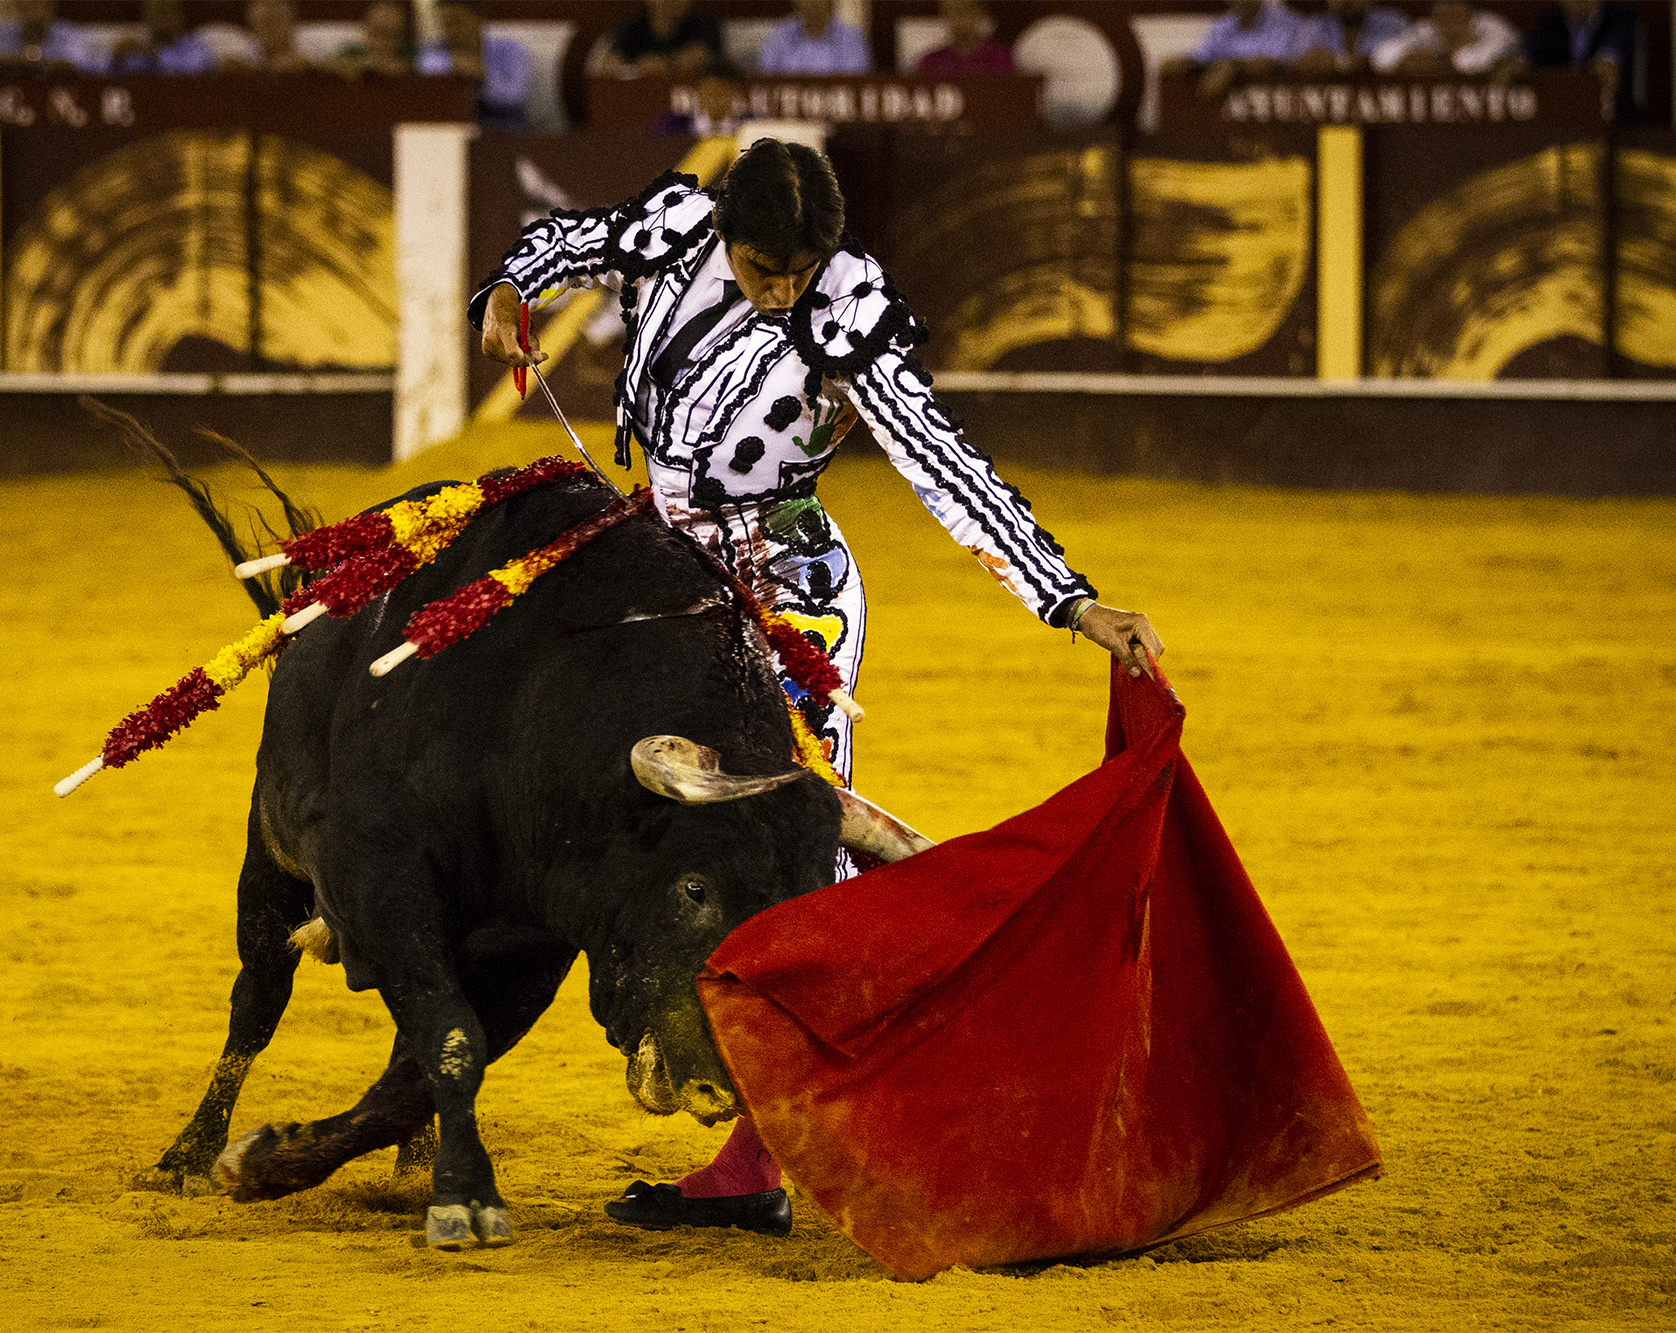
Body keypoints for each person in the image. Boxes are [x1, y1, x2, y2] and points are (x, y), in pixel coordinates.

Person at [472, 142, 1164, 1234]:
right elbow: (565, 243)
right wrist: (508, 290)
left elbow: (943, 465)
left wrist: (1069, 601)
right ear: (723, 235)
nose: (783, 291)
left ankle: (773, 1152)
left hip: (788, 602)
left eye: (800, 271)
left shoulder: (847, 312)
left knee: (797, 857)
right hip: (658, 575)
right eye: (764, 269)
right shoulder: (674, 227)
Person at [417, 0, 527, 130]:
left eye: (456, 22)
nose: (450, 31)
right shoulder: (435, 50)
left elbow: (513, 96)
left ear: (477, 20)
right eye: (444, 25)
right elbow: (425, 67)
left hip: (502, 127)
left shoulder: (509, 50)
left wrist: (482, 76)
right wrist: (451, 64)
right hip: (449, 127)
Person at [1164, 0, 1308, 97]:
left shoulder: (1286, 23)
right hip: (1229, 119)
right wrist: (1183, 63)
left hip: (1276, 111)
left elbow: (1272, 63)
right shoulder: (1222, 26)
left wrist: (1233, 66)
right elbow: (1202, 58)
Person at [1522, 0, 1638, 121]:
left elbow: (1614, 48)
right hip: (1557, 116)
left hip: (1615, 120)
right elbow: (1530, 52)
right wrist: (1519, 62)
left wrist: (1606, 62)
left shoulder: (1621, 19)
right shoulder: (1548, 22)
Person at [1369, 1, 1520, 76]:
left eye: (1456, 16)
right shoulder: (1426, 29)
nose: (1450, 24)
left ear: (1471, 15)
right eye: (1443, 16)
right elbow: (1381, 56)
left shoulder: (1494, 28)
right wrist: (1404, 59)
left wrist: (1439, 60)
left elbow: (1480, 62)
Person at [0, 0, 108, 74]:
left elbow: (87, 67)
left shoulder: (69, 35)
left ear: (50, 7)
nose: (32, 14)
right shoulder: (0, 34)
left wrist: (42, 64)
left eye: (37, 6)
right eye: (27, 8)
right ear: (18, 8)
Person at [597, 0, 723, 82]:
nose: (668, 2)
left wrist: (668, 65)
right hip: (642, 95)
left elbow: (701, 57)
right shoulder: (631, 29)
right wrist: (638, 68)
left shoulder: (705, 25)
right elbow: (611, 64)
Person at [1289, 0, 1410, 72]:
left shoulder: (1393, 23)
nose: (1347, 1)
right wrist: (1310, 61)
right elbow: (1295, 61)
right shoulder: (1315, 26)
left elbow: (1411, 58)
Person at [757, 0, 868, 76]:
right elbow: (766, 84)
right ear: (795, 3)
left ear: (831, 3)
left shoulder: (852, 39)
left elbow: (857, 84)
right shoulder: (778, 36)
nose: (813, 3)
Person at [111, 0, 217, 75]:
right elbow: (123, 74)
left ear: (180, 16)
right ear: (145, 18)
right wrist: (117, 58)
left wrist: (155, 56)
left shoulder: (195, 45)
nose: (160, 19)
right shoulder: (139, 49)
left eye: (165, 12)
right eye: (155, 12)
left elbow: (192, 69)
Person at [653, 55, 749, 137]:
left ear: (735, 94)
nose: (713, 100)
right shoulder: (674, 124)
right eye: (708, 94)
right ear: (696, 93)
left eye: (720, 94)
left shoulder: (748, 124)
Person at [913, 0, 1011, 77]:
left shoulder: (1000, 59)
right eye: (952, 11)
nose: (959, 19)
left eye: (965, 11)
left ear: (979, 13)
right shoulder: (930, 62)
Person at [332, 0, 412, 78]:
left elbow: (407, 68)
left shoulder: (410, 54)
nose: (381, 43)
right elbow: (333, 64)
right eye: (376, 34)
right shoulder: (352, 50)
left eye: (392, 36)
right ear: (366, 30)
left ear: (403, 37)